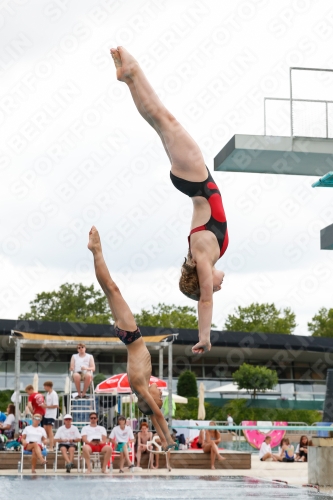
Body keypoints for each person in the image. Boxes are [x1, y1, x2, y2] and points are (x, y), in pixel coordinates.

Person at [110, 46, 227, 354]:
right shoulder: (206, 255)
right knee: (159, 121)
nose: (218, 286)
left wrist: (205, 336)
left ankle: (132, 73)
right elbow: (205, 294)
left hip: (196, 181)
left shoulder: (203, 257)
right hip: (193, 181)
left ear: (201, 281)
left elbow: (204, 300)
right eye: (215, 286)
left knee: (164, 118)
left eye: (214, 286)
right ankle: (129, 77)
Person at [88, 226, 175, 451]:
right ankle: (96, 251)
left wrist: (168, 440)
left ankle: (96, 251)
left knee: (112, 289)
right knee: (109, 290)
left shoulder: (140, 387)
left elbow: (157, 415)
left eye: (159, 398)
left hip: (131, 335)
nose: (161, 394)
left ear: (149, 400)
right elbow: (155, 416)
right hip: (127, 336)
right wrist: (164, 438)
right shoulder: (142, 388)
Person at [41, 381, 59, 451]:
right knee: (44, 430)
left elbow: (56, 405)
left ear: (48, 386)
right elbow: (47, 404)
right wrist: (43, 404)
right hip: (47, 414)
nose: (44, 388)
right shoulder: (47, 394)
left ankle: (51, 447)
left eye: (45, 386)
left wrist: (46, 406)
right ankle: (45, 445)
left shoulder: (54, 394)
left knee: (49, 430)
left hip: (51, 415)